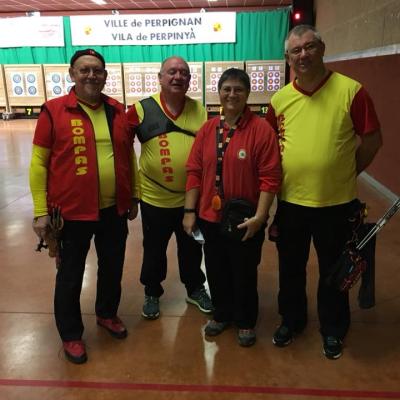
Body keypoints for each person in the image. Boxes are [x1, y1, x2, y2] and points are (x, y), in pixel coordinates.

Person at [265, 25, 382, 359]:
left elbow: (372, 140)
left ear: (322, 48)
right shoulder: (279, 100)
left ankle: (333, 328)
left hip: (337, 203)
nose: (303, 55)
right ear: (288, 58)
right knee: (290, 269)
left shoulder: (351, 90)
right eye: (296, 50)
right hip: (291, 203)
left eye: (309, 47)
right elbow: (271, 148)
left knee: (334, 270)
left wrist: (346, 172)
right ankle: (292, 321)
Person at [30, 49, 139, 364]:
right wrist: (40, 210)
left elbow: (128, 156)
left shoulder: (117, 110)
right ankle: (71, 334)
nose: (92, 75)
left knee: (112, 267)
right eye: (84, 70)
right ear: (72, 74)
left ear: (105, 75)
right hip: (71, 213)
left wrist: (133, 195)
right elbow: (39, 163)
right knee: (70, 275)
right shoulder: (54, 111)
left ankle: (106, 313)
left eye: (97, 70)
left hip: (113, 210)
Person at [183, 68, 281, 347]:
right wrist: (189, 212)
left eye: (238, 89)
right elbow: (194, 170)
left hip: (245, 218)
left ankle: (245, 320)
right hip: (210, 216)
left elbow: (270, 178)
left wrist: (260, 217)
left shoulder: (261, 130)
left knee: (244, 271)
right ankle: (222, 314)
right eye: (226, 89)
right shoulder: (208, 129)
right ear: (219, 92)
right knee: (216, 268)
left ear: (247, 93)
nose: (232, 94)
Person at [126, 56, 213, 320]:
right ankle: (152, 291)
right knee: (154, 250)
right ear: (160, 77)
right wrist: (131, 193)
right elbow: (120, 149)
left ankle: (195, 288)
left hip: (191, 199)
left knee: (192, 249)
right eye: (172, 72)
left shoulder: (200, 110)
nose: (178, 77)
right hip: (154, 199)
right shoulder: (140, 109)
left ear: (189, 80)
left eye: (184, 73)